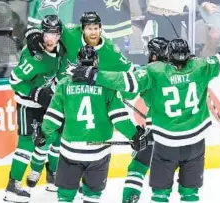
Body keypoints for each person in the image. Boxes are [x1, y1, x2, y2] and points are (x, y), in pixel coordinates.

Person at [71, 32, 220, 202]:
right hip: (194, 140)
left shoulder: (154, 72)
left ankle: (130, 199)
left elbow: (127, 85)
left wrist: (95, 76)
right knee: (189, 191)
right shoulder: (199, 67)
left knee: (143, 173)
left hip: (161, 136)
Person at [32, 45, 148, 203]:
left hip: (70, 151)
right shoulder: (106, 85)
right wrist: (133, 135)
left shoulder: (65, 84)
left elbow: (54, 116)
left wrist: (44, 134)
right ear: (96, 62)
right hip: (98, 152)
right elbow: (119, 117)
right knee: (92, 196)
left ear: (78, 62)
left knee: (65, 196)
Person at [4, 15, 65, 203]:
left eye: (54, 34)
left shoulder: (61, 50)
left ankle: (53, 177)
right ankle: (12, 187)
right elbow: (14, 80)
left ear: (59, 35)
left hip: (46, 104)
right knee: (27, 143)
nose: (50, 38)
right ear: (42, 32)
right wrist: (34, 92)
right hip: (27, 105)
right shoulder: (34, 56)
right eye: (47, 33)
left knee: (54, 137)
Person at [121, 37, 169, 203]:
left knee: (137, 167)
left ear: (154, 56)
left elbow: (127, 92)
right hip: (182, 135)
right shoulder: (183, 70)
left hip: (157, 132)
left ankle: (130, 199)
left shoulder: (149, 71)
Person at [25, 11, 135, 82]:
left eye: (96, 28)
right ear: (82, 29)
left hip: (92, 96)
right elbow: (51, 25)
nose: (93, 33)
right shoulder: (71, 34)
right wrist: (34, 31)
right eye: (89, 29)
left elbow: (131, 70)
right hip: (61, 91)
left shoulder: (110, 49)